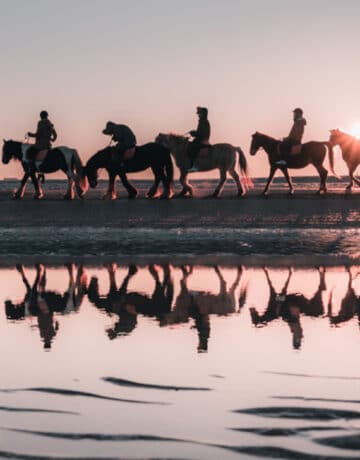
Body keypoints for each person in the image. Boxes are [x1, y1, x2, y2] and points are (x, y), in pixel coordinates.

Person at [187, 106, 211, 172]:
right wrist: (194, 133)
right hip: (201, 139)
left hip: (203, 140)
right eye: (198, 113)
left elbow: (202, 133)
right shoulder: (202, 121)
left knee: (192, 148)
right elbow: (200, 132)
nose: (198, 115)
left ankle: (194, 165)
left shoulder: (204, 122)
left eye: (199, 113)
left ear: (203, 114)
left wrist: (194, 133)